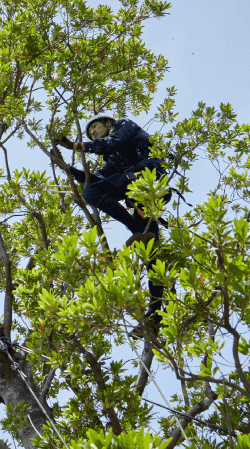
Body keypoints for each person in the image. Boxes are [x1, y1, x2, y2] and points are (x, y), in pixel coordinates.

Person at [53, 115, 168, 339]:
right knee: (150, 254)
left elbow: (113, 142)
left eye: (95, 128)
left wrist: (74, 146)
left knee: (93, 193)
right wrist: (67, 168)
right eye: (90, 133)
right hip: (136, 192)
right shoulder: (113, 158)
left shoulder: (124, 126)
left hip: (148, 176)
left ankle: (135, 227)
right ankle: (155, 317)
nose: (93, 133)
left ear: (108, 123)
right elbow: (95, 178)